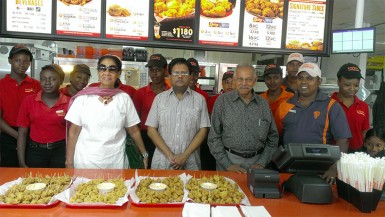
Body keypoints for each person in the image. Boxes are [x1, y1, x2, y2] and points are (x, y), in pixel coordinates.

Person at [65, 55, 148, 169]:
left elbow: (133, 130)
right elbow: (73, 132)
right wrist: (69, 162)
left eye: (112, 69)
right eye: (102, 68)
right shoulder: (83, 98)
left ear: (119, 73)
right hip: (86, 160)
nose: (107, 72)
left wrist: (144, 153)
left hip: (116, 161)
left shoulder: (124, 98)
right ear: (98, 72)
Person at [274, 63, 351, 182]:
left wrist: (334, 168)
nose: (304, 82)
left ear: (319, 81)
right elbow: (277, 136)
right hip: (288, 169)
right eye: (300, 78)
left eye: (309, 78)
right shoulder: (285, 105)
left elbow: (343, 140)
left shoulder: (332, 106)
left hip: (320, 171)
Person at [208, 64, 279, 173]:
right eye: (240, 79)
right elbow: (213, 137)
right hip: (228, 160)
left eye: (248, 80)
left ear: (255, 80)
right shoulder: (222, 102)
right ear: (234, 80)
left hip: (257, 162)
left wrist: (261, 162)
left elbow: (273, 138)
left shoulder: (263, 104)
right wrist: (227, 165)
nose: (244, 84)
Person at [146, 58, 210, 170]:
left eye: (184, 73)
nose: (180, 76)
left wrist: (184, 157)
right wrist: (171, 156)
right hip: (162, 162)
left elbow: (203, 130)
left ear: (190, 76)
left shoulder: (200, 100)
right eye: (176, 73)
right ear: (169, 76)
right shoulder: (159, 99)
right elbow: (151, 130)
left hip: (190, 163)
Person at [16, 64, 69, 168]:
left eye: (52, 79)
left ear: (61, 81)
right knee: (35, 183)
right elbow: (22, 133)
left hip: (61, 151)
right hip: (35, 152)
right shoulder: (29, 101)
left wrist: (70, 160)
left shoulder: (69, 102)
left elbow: (73, 133)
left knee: (60, 182)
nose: (47, 83)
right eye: (43, 79)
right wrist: (21, 162)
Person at [0, 45, 40, 167]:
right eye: (17, 60)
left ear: (29, 64)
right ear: (10, 60)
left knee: (31, 172)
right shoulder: (1, 85)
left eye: (25, 61)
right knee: (10, 172)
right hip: (8, 136)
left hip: (32, 135)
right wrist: (19, 136)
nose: (21, 64)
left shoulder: (36, 85)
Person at [133, 53, 170, 168]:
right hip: (146, 138)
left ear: (165, 71)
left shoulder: (171, 92)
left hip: (166, 137)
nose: (154, 73)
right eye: (151, 70)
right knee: (146, 168)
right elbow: (135, 121)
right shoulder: (140, 93)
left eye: (158, 69)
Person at [331, 63, 370, 152]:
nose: (352, 89)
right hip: (333, 152)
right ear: (338, 83)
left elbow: (364, 132)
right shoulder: (328, 104)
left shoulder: (363, 106)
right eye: (347, 85)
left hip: (356, 154)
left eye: (356, 85)